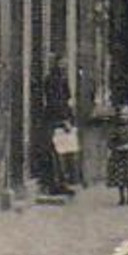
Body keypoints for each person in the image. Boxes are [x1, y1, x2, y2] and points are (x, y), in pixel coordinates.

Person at [34, 55, 75, 196]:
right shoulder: (51, 80)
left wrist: (68, 117)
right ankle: (55, 184)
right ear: (56, 64)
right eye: (61, 64)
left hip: (61, 120)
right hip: (54, 120)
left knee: (62, 152)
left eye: (65, 64)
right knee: (56, 153)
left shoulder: (63, 80)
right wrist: (64, 120)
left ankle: (61, 182)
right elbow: (54, 102)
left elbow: (67, 98)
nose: (64, 67)